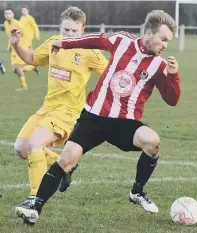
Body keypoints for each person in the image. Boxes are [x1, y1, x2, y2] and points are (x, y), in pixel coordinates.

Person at [15, 10, 181, 225]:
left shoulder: (159, 66)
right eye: (163, 39)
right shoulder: (121, 40)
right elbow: (94, 39)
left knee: (152, 141)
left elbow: (172, 100)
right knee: (66, 159)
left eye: (168, 41)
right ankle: (34, 207)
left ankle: (137, 192)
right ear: (149, 33)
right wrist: (64, 44)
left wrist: (173, 75)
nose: (165, 45)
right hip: (93, 116)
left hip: (124, 123)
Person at [9, 6, 108, 209]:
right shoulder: (54, 43)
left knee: (34, 145)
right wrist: (17, 45)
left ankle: (34, 198)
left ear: (82, 29)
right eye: (66, 30)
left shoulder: (90, 52)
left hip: (68, 112)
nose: (69, 34)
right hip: (47, 107)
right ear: (60, 28)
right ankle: (66, 165)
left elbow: (110, 76)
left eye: (74, 31)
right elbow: (31, 59)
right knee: (20, 148)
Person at [3, 8, 37, 91]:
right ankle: (32, 67)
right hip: (14, 47)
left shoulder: (18, 24)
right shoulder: (5, 24)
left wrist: (26, 47)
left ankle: (24, 87)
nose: (8, 15)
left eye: (9, 13)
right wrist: (9, 46)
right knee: (15, 69)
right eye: (6, 13)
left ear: (13, 15)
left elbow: (26, 35)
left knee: (17, 67)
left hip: (20, 47)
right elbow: (10, 36)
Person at [19, 5, 40, 74]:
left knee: (23, 49)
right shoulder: (22, 18)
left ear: (27, 11)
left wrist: (37, 36)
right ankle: (35, 63)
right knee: (30, 50)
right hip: (23, 37)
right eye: (22, 10)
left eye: (25, 10)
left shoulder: (30, 18)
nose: (23, 12)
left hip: (28, 37)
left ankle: (26, 62)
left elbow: (35, 27)